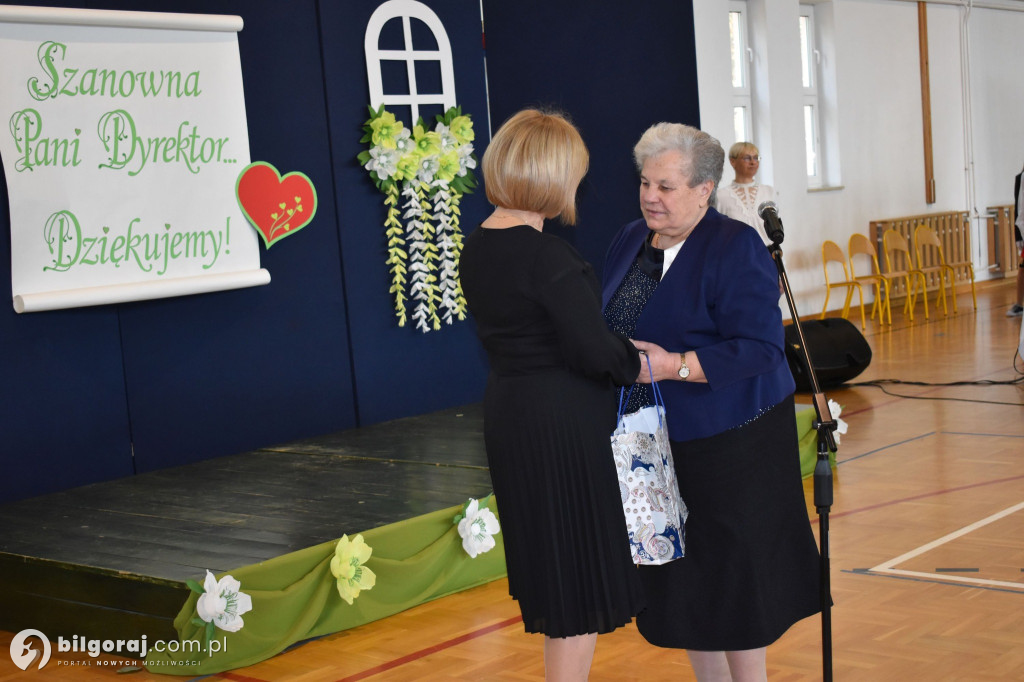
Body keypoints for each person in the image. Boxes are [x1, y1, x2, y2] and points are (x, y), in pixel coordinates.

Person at [602, 122, 822, 682]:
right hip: (650, 441)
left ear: (704, 190)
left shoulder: (735, 245)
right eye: (646, 183)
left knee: (733, 580)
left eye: (667, 186)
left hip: (731, 440)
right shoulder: (629, 239)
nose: (651, 196)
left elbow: (761, 348)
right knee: (683, 583)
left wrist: (673, 365)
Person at [459, 109, 644, 681]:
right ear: (550, 176)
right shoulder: (547, 257)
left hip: (513, 415)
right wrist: (637, 359)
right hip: (560, 426)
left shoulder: (478, 247)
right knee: (574, 583)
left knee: (556, 573)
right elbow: (593, 352)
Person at [715, 141, 776, 245]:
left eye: (756, 158)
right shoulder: (720, 196)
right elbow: (717, 233)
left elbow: (776, 230)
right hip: (737, 257)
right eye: (747, 158)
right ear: (732, 161)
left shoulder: (769, 192)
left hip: (767, 256)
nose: (753, 162)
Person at [1008, 167, 1024, 317]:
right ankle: (1019, 304)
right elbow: (1018, 210)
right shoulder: (1020, 178)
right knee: (1022, 266)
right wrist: (1018, 236)